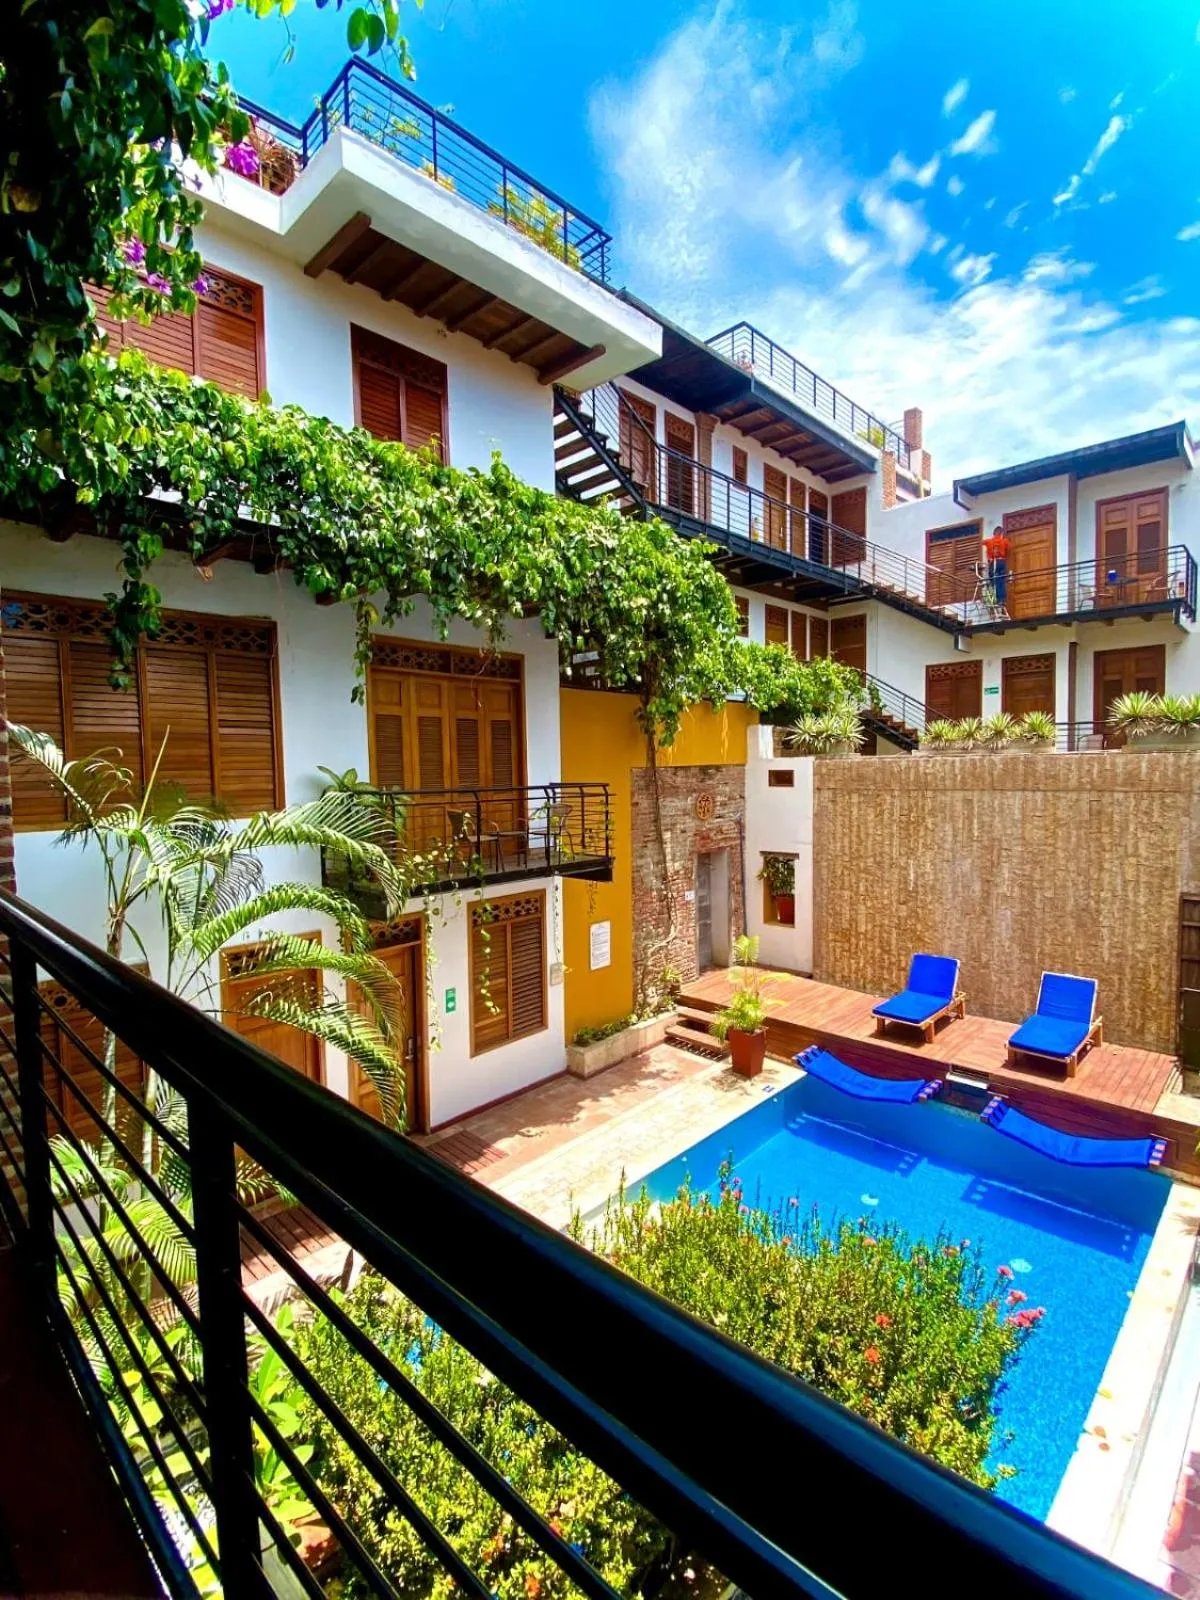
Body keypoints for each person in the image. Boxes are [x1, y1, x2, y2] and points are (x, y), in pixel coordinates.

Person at [982, 525, 1011, 607]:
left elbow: (980, 542)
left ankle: (995, 599)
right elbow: (1009, 548)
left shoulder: (989, 541)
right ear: (1001, 533)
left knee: (993, 580)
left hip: (994, 562)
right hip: (1002, 561)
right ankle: (1002, 599)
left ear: (994, 533)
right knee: (1001, 580)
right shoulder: (1005, 541)